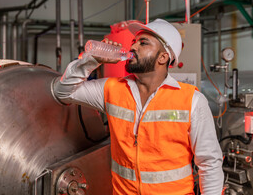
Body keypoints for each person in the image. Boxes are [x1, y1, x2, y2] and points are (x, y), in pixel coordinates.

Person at [53, 19, 223, 195]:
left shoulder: (192, 100)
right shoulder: (111, 89)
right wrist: (91, 61)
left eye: (143, 43)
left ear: (163, 57)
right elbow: (62, 91)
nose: (133, 47)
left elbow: (210, 162)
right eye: (134, 42)